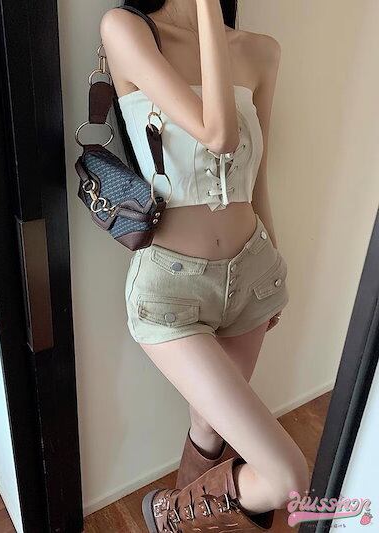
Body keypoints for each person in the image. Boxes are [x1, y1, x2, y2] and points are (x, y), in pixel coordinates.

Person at [101, 0, 310, 530]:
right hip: (170, 290)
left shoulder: (261, 52)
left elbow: (255, 175)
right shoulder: (127, 30)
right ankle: (167, 512)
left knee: (210, 430)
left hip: (254, 274)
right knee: (288, 478)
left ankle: (176, 517)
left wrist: (274, 263)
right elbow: (218, 133)